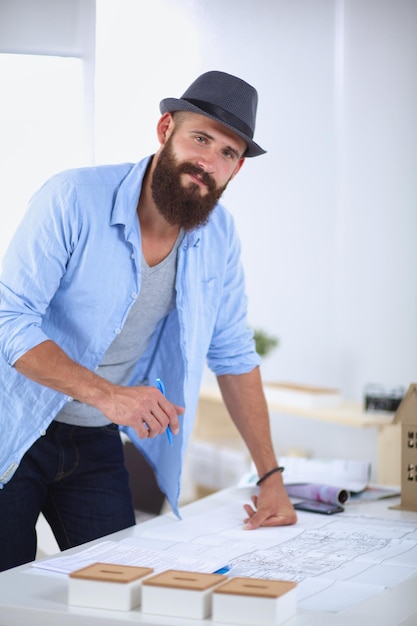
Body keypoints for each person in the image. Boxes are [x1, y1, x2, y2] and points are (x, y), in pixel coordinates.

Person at [0, 70, 296, 572]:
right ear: (165, 131)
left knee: (121, 587)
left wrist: (271, 478)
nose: (208, 162)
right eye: (200, 138)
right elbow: (9, 320)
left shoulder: (219, 236)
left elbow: (233, 353)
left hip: (94, 438)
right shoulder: (72, 197)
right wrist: (110, 395)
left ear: (236, 170)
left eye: (228, 153)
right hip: (13, 425)